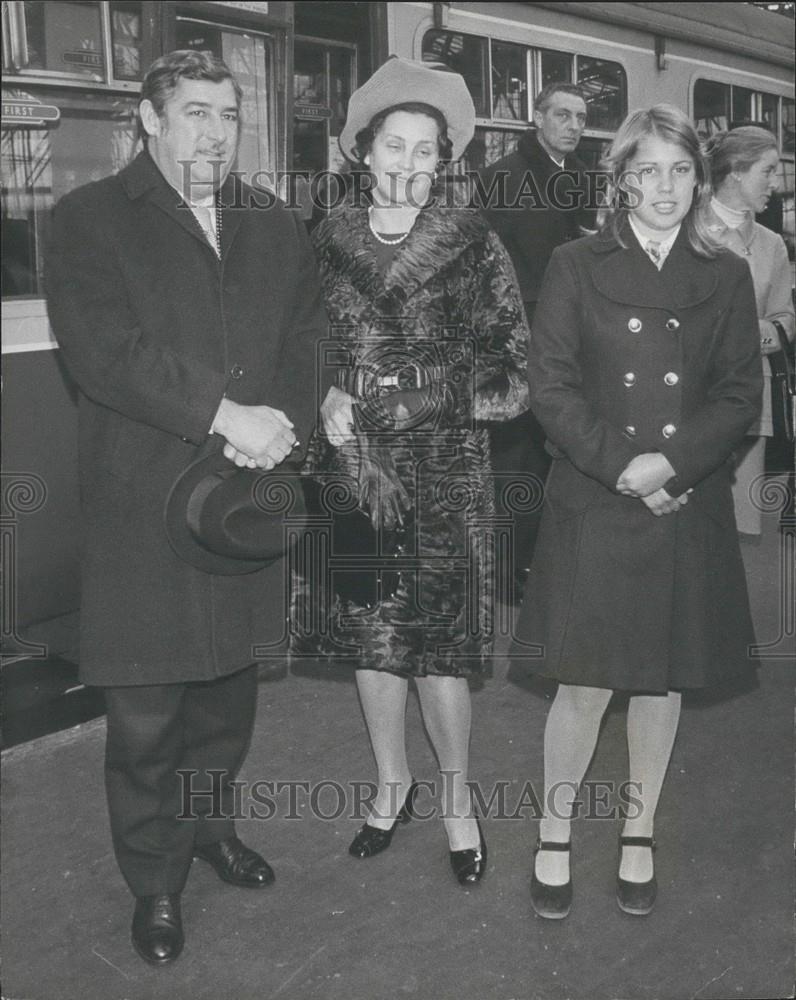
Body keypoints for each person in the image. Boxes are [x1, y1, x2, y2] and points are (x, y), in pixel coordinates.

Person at [45, 50, 327, 965]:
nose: (215, 131)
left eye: (229, 114)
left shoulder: (273, 221)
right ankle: (155, 881)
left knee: (226, 696)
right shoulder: (88, 219)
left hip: (243, 500)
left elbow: (306, 334)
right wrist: (222, 413)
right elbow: (102, 351)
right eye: (196, 112)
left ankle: (210, 832)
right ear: (150, 118)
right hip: (143, 505)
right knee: (144, 714)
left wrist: (278, 429)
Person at [513, 105, 762, 919]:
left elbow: (736, 394)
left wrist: (674, 463)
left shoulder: (723, 272)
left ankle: (639, 827)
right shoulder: (576, 263)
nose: (664, 187)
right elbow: (549, 386)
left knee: (661, 683)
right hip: (597, 498)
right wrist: (628, 467)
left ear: (700, 178)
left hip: (683, 501)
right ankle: (554, 832)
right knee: (583, 685)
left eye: (680, 170)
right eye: (646, 170)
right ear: (619, 179)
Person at [292, 57, 529, 884]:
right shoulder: (322, 239)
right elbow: (289, 346)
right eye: (395, 145)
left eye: (426, 151)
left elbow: (513, 374)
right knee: (372, 641)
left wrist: (419, 402)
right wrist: (317, 389)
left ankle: (459, 801)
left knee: (440, 654)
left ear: (444, 160)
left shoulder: (474, 246)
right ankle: (391, 786)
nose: (409, 164)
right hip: (355, 472)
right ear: (365, 150)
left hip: (444, 477)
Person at [476, 82, 596, 599]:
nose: (572, 126)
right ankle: (506, 569)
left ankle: (531, 560)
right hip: (518, 337)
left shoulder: (580, 179)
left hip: (569, 334)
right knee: (517, 455)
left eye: (580, 118)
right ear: (538, 118)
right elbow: (481, 265)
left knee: (551, 451)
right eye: (563, 115)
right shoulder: (502, 179)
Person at [702, 126, 795, 535]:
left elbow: (784, 320)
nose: (776, 184)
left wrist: (746, 332)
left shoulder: (771, 244)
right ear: (737, 172)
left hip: (750, 405)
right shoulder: (688, 230)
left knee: (733, 532)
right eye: (768, 171)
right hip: (694, 402)